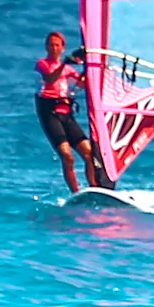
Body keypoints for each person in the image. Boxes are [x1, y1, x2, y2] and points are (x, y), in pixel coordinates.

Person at [36, 31, 111, 191]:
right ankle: (75, 192)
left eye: (57, 45)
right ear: (46, 47)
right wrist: (64, 63)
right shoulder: (42, 64)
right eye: (51, 45)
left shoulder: (69, 69)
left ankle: (94, 188)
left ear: (62, 48)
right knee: (67, 155)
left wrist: (88, 65)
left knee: (89, 153)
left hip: (67, 115)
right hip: (50, 115)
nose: (53, 48)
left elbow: (83, 84)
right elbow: (50, 78)